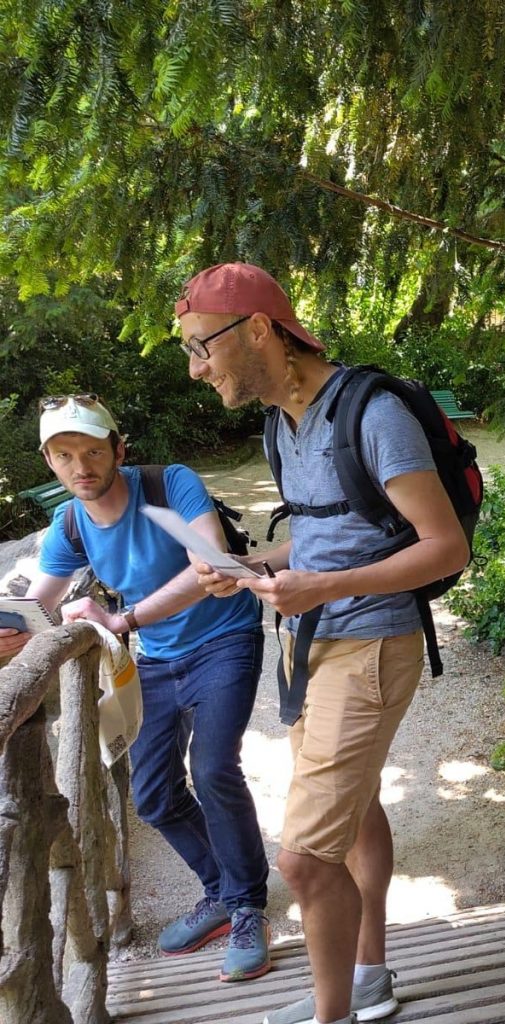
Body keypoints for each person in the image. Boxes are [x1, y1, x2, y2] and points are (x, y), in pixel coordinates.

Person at [175, 263, 469, 1024]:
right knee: (359, 808)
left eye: (203, 347)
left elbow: (444, 549)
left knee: (304, 861)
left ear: (261, 330)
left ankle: (331, 1014)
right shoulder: (282, 423)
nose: (197, 369)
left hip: (370, 645)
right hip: (308, 643)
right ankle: (368, 972)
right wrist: (246, 568)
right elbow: (319, 538)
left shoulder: (372, 414)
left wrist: (322, 589)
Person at [0, 395, 271, 981]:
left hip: (225, 639)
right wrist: (12, 630)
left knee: (215, 766)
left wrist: (123, 620)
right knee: (152, 795)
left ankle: (248, 905)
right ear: (49, 462)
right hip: (156, 660)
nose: (81, 467)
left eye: (93, 451)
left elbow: (213, 564)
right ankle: (221, 891)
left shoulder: (169, 485)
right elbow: (37, 602)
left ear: (119, 451)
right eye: (65, 455)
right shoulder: (70, 522)